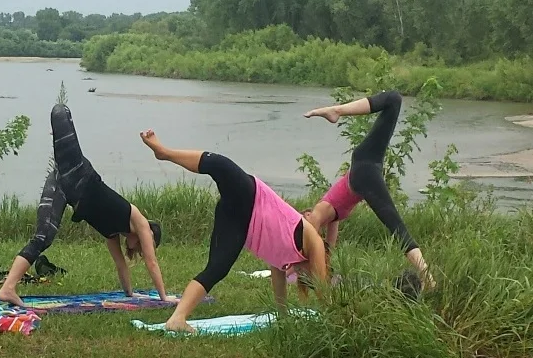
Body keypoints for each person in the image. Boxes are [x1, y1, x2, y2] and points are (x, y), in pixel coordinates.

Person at [140, 129, 329, 332]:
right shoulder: (313, 240)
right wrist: (335, 315)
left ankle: (177, 319)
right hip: (251, 196)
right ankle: (164, 152)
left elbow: (279, 278)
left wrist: (282, 316)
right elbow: (323, 288)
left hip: (240, 223)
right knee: (220, 165)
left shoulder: (286, 260)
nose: (303, 274)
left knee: (217, 269)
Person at [302, 91, 433, 289]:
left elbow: (313, 244)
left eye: (305, 216)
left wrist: (294, 267)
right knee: (393, 101)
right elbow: (327, 249)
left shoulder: (318, 213)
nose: (306, 218)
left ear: (308, 213)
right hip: (367, 168)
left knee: (393, 99)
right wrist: (323, 274)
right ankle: (429, 280)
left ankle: (335, 110)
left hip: (365, 170)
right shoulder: (332, 218)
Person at [51, 104, 168, 300]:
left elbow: (120, 265)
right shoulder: (140, 222)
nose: (137, 249)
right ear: (147, 234)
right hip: (84, 177)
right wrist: (164, 298)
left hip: (71, 192)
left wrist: (130, 294)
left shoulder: (113, 234)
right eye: (140, 246)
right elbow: (152, 262)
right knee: (61, 117)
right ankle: (62, 107)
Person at [0, 164, 67, 307]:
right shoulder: (61, 173)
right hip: (63, 178)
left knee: (114, 227)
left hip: (80, 181)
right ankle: (8, 288)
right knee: (42, 237)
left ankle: (126, 286)